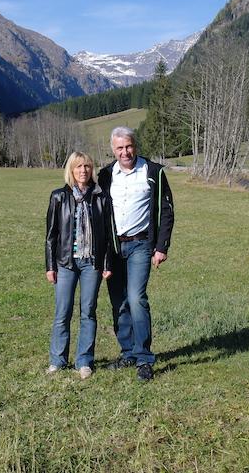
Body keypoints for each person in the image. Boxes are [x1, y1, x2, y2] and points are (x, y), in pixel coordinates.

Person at [98, 126, 174, 381]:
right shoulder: (106, 175)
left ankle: (144, 358)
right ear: (113, 150)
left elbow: (166, 211)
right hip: (114, 247)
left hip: (141, 244)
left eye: (128, 146)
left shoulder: (153, 172)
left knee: (136, 298)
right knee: (118, 302)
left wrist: (161, 247)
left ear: (135, 146)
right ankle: (127, 352)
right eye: (119, 148)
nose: (125, 152)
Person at [45, 151, 114, 379]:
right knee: (62, 312)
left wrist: (106, 263)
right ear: (71, 170)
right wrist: (50, 266)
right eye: (78, 167)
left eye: (87, 166)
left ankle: (84, 361)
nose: (83, 171)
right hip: (65, 263)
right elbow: (51, 235)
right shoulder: (58, 197)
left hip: (91, 264)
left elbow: (106, 235)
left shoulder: (101, 197)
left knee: (88, 312)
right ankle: (57, 360)